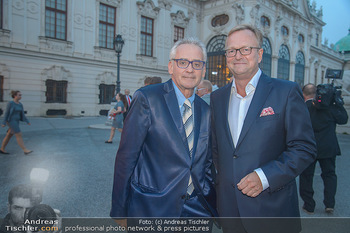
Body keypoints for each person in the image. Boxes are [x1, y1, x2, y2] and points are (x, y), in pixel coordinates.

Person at [210, 24, 317, 233]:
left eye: (245, 49)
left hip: (272, 211)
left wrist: (265, 177)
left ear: (259, 54)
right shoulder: (217, 97)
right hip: (230, 212)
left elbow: (304, 148)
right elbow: (218, 150)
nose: (237, 55)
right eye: (231, 50)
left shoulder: (285, 92)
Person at [110, 37, 217, 220]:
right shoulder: (148, 98)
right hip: (152, 209)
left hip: (197, 211)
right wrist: (119, 211)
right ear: (170, 67)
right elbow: (127, 157)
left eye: (197, 64)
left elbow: (205, 163)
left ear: (204, 70)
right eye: (183, 62)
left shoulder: (207, 111)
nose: (190, 69)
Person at [299, 83, 348, 215]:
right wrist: (338, 103)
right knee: (329, 175)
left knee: (306, 176)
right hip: (328, 147)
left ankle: (309, 205)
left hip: (308, 148)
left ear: (303, 94)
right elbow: (343, 120)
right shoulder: (330, 108)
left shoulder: (303, 107)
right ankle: (329, 204)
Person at [1, 91, 32, 155]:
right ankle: (25, 150)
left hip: (16, 121)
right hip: (11, 121)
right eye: (19, 95)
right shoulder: (10, 103)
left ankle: (2, 148)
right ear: (15, 96)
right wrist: (3, 122)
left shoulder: (20, 104)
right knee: (19, 134)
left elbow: (22, 114)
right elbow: (6, 113)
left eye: (21, 95)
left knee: (9, 135)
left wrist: (27, 121)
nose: (21, 96)